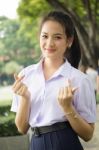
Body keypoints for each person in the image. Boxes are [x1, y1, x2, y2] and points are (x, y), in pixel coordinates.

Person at [11, 11, 96, 150]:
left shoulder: (80, 80)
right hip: (36, 144)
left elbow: (88, 135)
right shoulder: (26, 76)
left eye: (57, 37)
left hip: (65, 143)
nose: (49, 43)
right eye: (45, 36)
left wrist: (68, 107)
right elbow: (21, 128)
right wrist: (25, 98)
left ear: (69, 41)